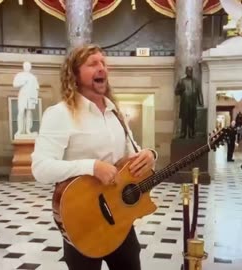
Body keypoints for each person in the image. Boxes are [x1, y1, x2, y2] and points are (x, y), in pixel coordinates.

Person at [31, 44, 157, 270]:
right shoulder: (60, 114)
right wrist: (92, 167)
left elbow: (130, 154)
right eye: (93, 64)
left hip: (120, 216)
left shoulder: (115, 113)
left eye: (104, 63)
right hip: (82, 220)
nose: (102, 68)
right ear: (75, 74)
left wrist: (149, 155)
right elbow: (40, 168)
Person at [174, 66, 203, 139]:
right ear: (186, 72)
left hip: (193, 103)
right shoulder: (181, 81)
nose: (189, 72)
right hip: (184, 103)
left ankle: (192, 133)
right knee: (184, 119)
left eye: (191, 71)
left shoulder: (195, 82)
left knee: (192, 119)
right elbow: (176, 92)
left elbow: (199, 92)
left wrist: (200, 102)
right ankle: (183, 133)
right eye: (188, 71)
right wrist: (180, 89)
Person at [13, 61, 40, 139]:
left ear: (30, 67)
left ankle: (28, 130)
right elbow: (15, 84)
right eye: (26, 66)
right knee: (21, 112)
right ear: (23, 67)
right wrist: (23, 82)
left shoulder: (33, 77)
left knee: (29, 113)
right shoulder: (20, 75)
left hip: (30, 96)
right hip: (23, 95)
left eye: (29, 66)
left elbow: (36, 88)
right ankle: (20, 130)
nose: (27, 67)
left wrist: (35, 98)